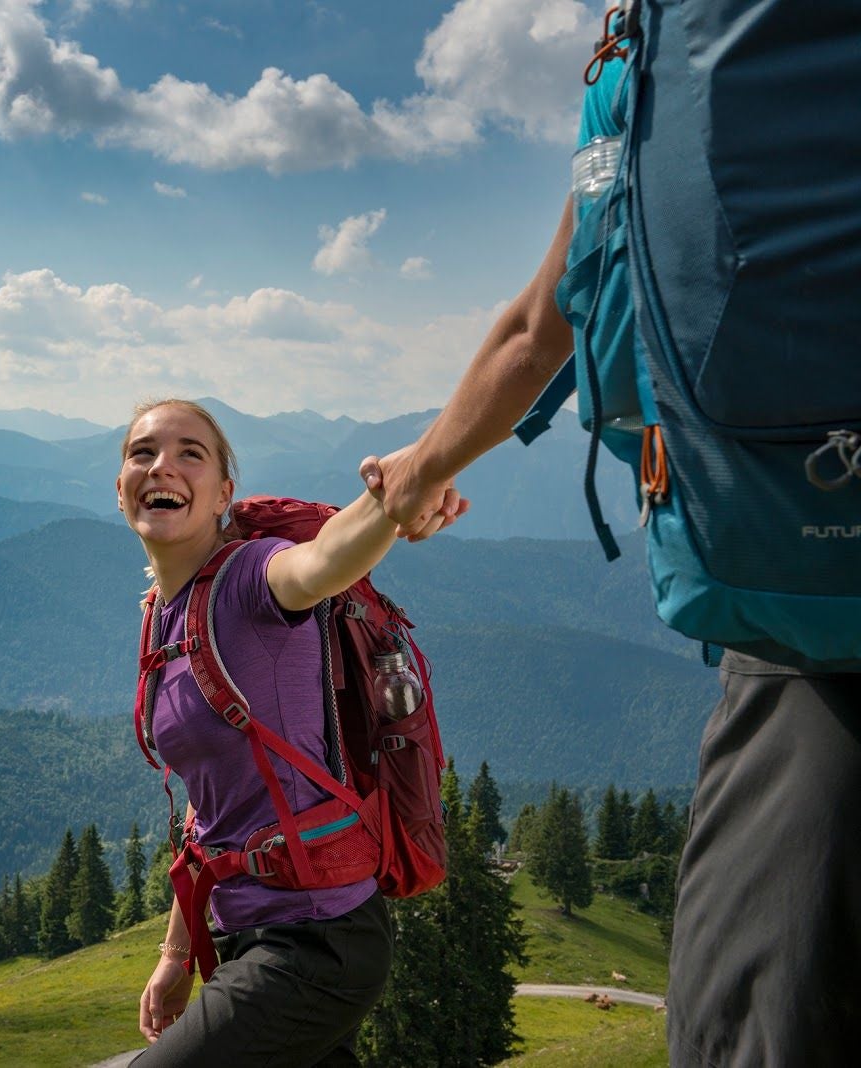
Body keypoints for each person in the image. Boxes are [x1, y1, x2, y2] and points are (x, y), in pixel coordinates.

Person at [361, 47, 861, 1068]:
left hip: (795, 621)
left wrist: (419, 471)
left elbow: (540, 327)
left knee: (745, 1022)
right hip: (794, 620)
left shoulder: (642, 68)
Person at [119, 398, 459, 1066]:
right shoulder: (164, 615)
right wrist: (176, 954)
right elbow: (209, 806)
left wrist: (393, 496)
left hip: (319, 939)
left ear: (224, 493)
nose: (163, 465)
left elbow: (321, 561)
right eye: (142, 453)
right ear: (121, 487)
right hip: (253, 933)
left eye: (192, 452)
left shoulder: (253, 578)